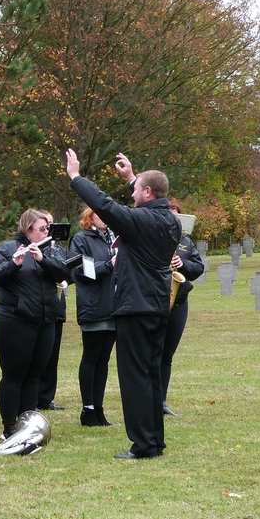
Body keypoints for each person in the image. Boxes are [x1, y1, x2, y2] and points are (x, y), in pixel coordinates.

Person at [65, 150, 181, 460]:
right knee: (152, 375)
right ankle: (155, 441)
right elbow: (146, 195)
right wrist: (132, 176)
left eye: (135, 188)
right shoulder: (171, 220)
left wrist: (76, 176)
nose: (131, 193)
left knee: (134, 377)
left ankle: (143, 445)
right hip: (157, 306)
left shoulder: (140, 220)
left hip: (135, 307)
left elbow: (104, 204)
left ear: (147, 192)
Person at [0, 210, 72, 439]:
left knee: (34, 376)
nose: (46, 232)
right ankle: (9, 429)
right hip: (14, 321)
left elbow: (66, 274)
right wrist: (14, 263)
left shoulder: (50, 250)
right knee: (14, 376)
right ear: (27, 229)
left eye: (47, 229)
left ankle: (27, 425)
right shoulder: (7, 248)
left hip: (45, 322)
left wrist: (43, 260)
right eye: (42, 229)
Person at [68, 207, 118, 427]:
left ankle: (98, 407)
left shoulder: (113, 239)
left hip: (114, 306)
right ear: (90, 217)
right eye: (101, 215)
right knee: (91, 357)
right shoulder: (80, 239)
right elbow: (79, 270)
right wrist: (109, 265)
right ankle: (87, 409)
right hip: (94, 306)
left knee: (104, 359)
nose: (106, 220)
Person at [161, 201, 205, 417]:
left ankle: (161, 401)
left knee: (167, 355)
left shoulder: (186, 242)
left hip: (178, 303)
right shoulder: (154, 239)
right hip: (156, 303)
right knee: (153, 354)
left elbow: (197, 268)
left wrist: (182, 265)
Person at [37, 211, 68, 412]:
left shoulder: (59, 249)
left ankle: (47, 397)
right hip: (39, 309)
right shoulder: (37, 249)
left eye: (50, 224)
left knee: (52, 356)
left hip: (57, 306)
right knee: (39, 357)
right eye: (45, 225)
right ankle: (34, 397)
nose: (49, 228)